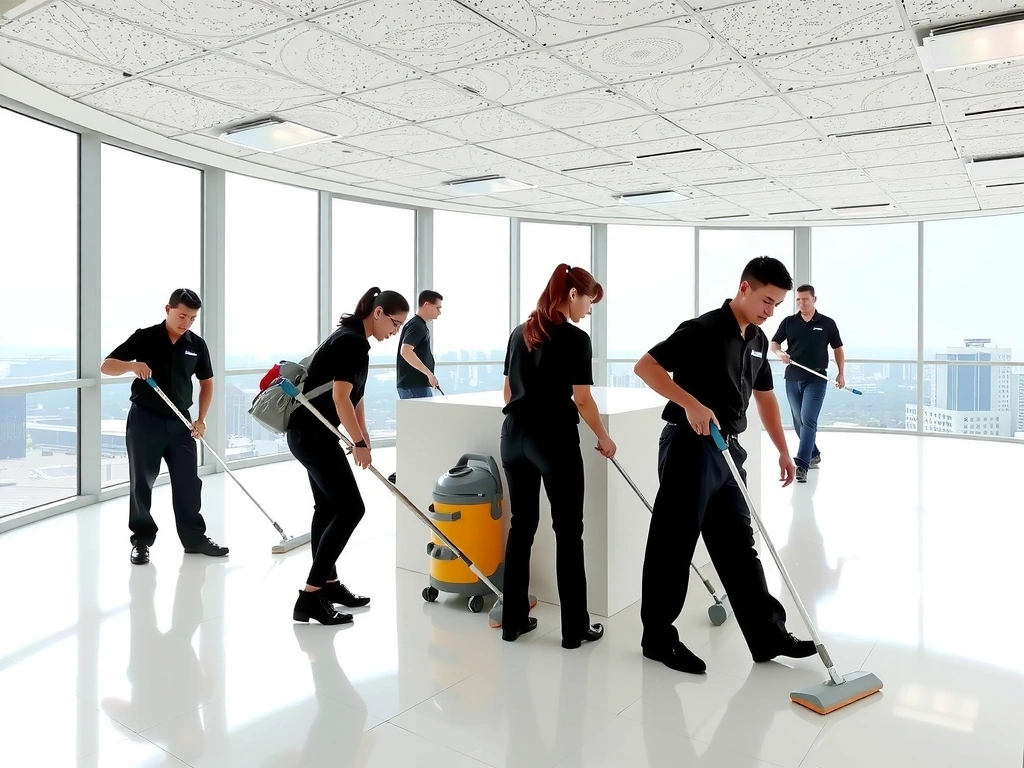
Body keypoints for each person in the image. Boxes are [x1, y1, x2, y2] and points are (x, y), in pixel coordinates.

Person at [633, 256, 815, 674]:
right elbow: (647, 366)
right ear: (744, 287)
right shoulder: (701, 329)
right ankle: (657, 638)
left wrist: (784, 451)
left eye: (777, 305)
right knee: (673, 543)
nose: (770, 311)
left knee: (738, 544)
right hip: (689, 446)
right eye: (767, 301)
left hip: (728, 452)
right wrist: (691, 404)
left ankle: (767, 635)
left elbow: (765, 397)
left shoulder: (756, 340)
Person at [499, 263, 615, 648]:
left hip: (514, 438)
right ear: (571, 295)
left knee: (521, 527)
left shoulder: (520, 334)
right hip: (553, 441)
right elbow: (582, 400)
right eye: (588, 300)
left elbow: (507, 393)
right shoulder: (576, 340)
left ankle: (513, 621)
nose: (589, 309)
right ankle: (574, 630)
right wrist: (604, 437)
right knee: (569, 533)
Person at [289, 287, 410, 626]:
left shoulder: (357, 342)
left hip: (311, 435)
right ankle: (310, 596)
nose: (395, 332)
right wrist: (357, 442)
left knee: (328, 508)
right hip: (311, 436)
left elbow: (356, 399)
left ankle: (328, 585)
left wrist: (365, 439)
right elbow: (340, 397)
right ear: (379, 313)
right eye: (395, 324)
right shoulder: (351, 342)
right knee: (351, 508)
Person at [101, 288, 228, 566]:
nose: (186, 323)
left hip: (181, 421)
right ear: (167, 309)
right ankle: (142, 541)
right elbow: (106, 366)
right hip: (145, 419)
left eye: (192, 318)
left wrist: (201, 419)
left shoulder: (197, 344)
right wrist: (133, 366)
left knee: (189, 483)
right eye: (182, 315)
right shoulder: (144, 337)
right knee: (142, 482)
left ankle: (194, 539)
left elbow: (207, 382)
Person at [769, 285, 846, 483]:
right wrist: (780, 354)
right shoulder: (789, 322)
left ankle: (802, 465)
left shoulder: (827, 323)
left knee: (808, 419)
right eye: (798, 300)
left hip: (817, 379)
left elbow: (838, 348)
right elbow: (774, 343)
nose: (801, 303)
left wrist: (841, 374)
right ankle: (813, 453)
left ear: (814, 299)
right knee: (798, 421)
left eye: (805, 299)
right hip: (793, 378)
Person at [389, 289, 443, 484]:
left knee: (417, 428)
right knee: (418, 429)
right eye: (438, 307)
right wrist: (428, 373)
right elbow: (406, 351)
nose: (439, 312)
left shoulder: (418, 325)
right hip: (414, 386)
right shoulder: (417, 326)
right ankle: (406, 470)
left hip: (415, 385)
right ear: (427, 305)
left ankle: (407, 469)